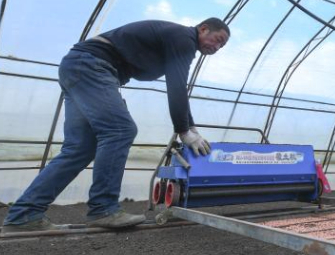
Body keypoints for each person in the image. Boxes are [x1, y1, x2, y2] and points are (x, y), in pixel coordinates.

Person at [1, 18, 230, 234]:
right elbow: (177, 86)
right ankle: (103, 208)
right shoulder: (184, 38)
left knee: (79, 149)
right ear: (203, 28)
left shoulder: (176, 40)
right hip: (93, 67)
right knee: (121, 130)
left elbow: (179, 88)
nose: (217, 48)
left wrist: (192, 128)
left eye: (222, 46)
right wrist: (183, 130)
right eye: (218, 40)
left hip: (79, 67)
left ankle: (25, 214)